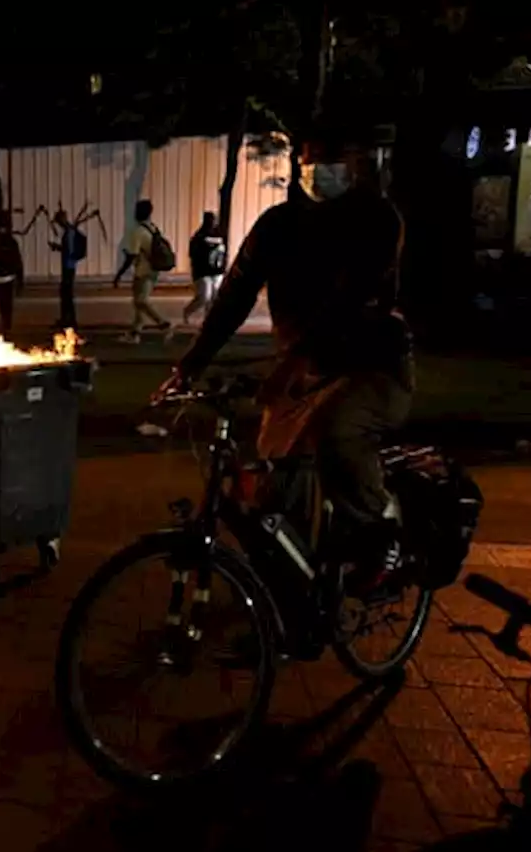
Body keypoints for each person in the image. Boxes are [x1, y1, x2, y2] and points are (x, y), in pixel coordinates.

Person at [159, 124, 412, 594]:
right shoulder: (277, 226)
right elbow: (233, 297)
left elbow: (353, 297)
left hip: (371, 368)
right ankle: (283, 613)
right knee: (275, 495)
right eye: (312, 158)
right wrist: (191, 363)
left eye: (334, 158)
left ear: (354, 163)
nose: (322, 169)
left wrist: (293, 363)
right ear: (298, 163)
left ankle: (384, 539)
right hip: (302, 376)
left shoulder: (377, 219)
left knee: (338, 434)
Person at [113, 200, 173, 344]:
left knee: (141, 301)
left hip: (143, 271)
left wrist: (119, 275)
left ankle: (164, 324)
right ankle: (135, 334)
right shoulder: (153, 228)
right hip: (153, 270)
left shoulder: (138, 231)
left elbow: (132, 255)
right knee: (138, 303)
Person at [184, 211, 227, 327]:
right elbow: (193, 254)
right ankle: (188, 311)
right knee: (204, 296)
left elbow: (222, 253)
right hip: (203, 272)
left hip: (216, 272)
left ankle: (208, 321)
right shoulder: (199, 237)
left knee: (214, 298)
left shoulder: (219, 235)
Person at [49, 210, 85, 329]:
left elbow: (68, 250)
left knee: (66, 293)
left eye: (59, 222)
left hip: (68, 266)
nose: (58, 225)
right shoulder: (70, 230)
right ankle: (68, 319)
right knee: (67, 293)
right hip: (70, 265)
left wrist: (57, 247)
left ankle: (68, 320)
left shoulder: (69, 232)